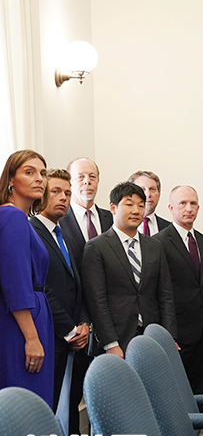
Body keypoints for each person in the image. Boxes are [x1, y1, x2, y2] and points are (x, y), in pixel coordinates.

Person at [81, 182, 177, 357]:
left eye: (141, 205)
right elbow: (97, 300)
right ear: (113, 208)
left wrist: (168, 337)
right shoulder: (96, 247)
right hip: (117, 339)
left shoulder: (154, 246)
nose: (136, 211)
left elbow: (166, 295)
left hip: (152, 335)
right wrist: (110, 343)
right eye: (129, 204)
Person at [30, 168, 90, 433]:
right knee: (47, 411)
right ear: (41, 194)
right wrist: (69, 329)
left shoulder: (65, 234)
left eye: (67, 192)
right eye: (55, 191)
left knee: (69, 409)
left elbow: (79, 285)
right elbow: (40, 287)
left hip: (74, 338)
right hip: (49, 335)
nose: (63, 197)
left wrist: (85, 323)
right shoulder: (31, 231)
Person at [154, 185, 203, 395]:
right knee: (177, 395)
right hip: (177, 335)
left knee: (201, 393)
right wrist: (168, 334)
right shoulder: (158, 243)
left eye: (193, 203)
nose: (188, 208)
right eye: (182, 203)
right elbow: (159, 292)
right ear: (171, 208)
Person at [0, 149, 54, 406]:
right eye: (29, 172)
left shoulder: (18, 218)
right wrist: (32, 338)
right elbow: (16, 283)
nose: (39, 179)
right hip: (23, 321)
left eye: (43, 173)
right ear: (10, 180)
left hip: (29, 314)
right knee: (28, 405)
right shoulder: (12, 217)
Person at [59, 158, 113, 270]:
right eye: (80, 177)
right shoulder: (59, 220)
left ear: (98, 180)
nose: (87, 181)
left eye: (92, 176)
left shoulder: (112, 218)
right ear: (69, 182)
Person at [129, 170, 171, 236]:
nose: (148, 194)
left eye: (152, 189)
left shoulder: (169, 228)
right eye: (142, 189)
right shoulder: (117, 225)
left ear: (159, 195)